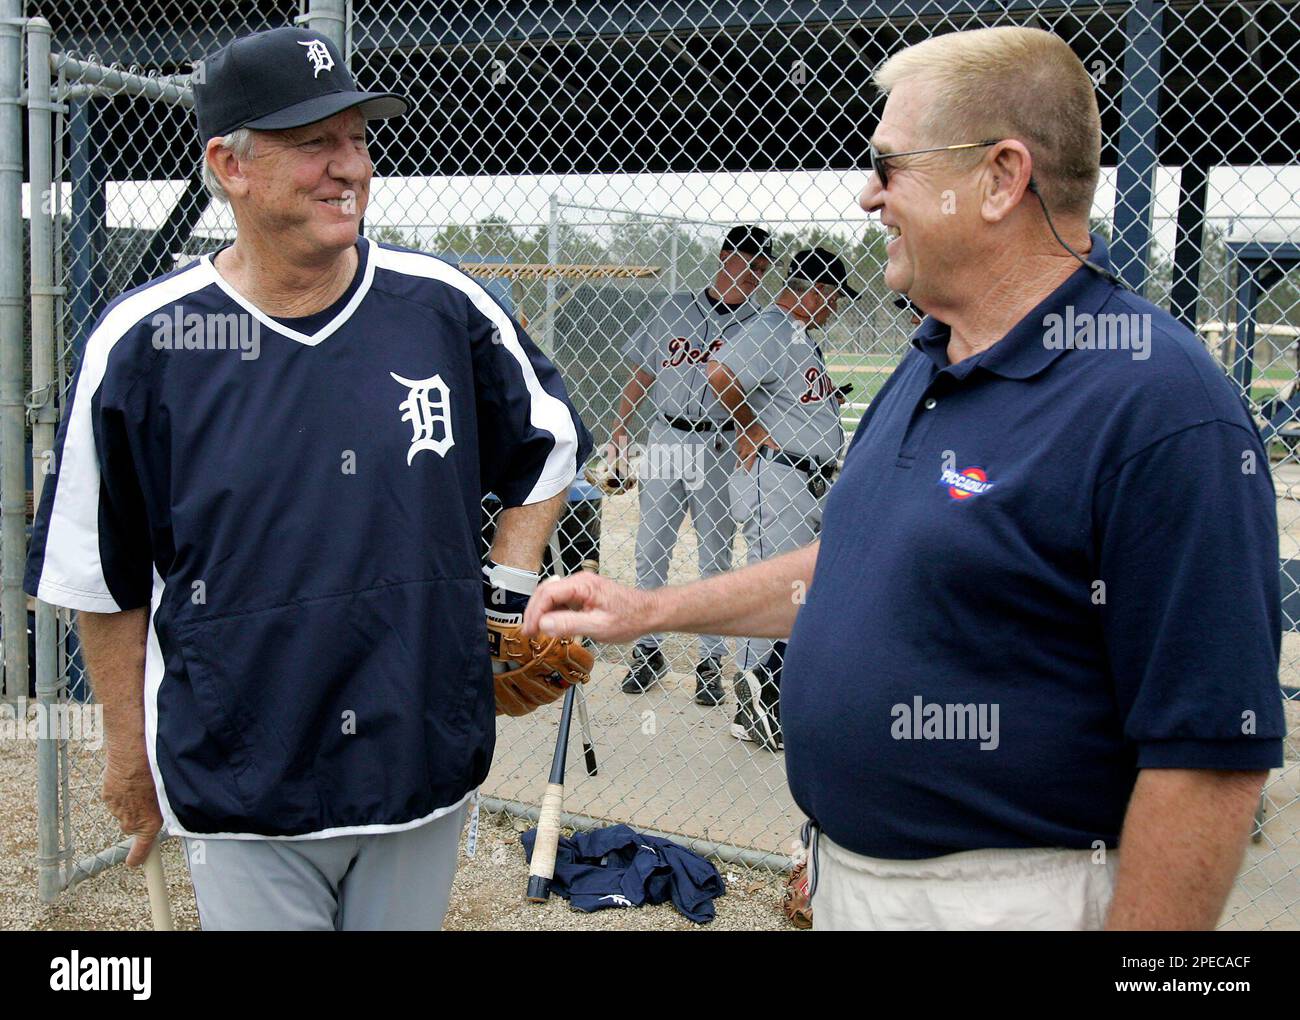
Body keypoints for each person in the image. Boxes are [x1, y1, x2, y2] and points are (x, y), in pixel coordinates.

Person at [524, 25, 1284, 930]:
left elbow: (1208, 760)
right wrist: (648, 612)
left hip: (1016, 900)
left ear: (1001, 179)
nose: (866, 195)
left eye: (891, 166)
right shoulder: (928, 363)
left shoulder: (1156, 398)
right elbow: (843, 573)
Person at [25, 26, 591, 930]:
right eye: (313, 142)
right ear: (229, 164)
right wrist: (128, 759)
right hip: (244, 777)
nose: (349, 167)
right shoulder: (145, 344)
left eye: (360, 138)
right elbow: (103, 576)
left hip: (418, 761)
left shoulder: (443, 307)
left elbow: (550, 445)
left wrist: (503, 593)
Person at [610, 226, 772, 704]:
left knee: (715, 555)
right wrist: (621, 428)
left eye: (762, 269)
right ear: (725, 256)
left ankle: (709, 660)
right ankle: (648, 649)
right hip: (665, 434)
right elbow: (643, 371)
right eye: (748, 263)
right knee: (650, 547)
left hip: (720, 442)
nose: (754, 276)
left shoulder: (761, 325)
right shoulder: (673, 306)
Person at [706, 249, 856, 751]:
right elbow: (719, 372)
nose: (834, 308)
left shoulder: (797, 336)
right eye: (832, 297)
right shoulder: (774, 326)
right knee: (773, 586)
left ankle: (767, 696)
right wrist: (748, 424)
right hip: (776, 476)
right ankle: (751, 705)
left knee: (796, 588)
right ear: (812, 289)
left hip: (800, 477)